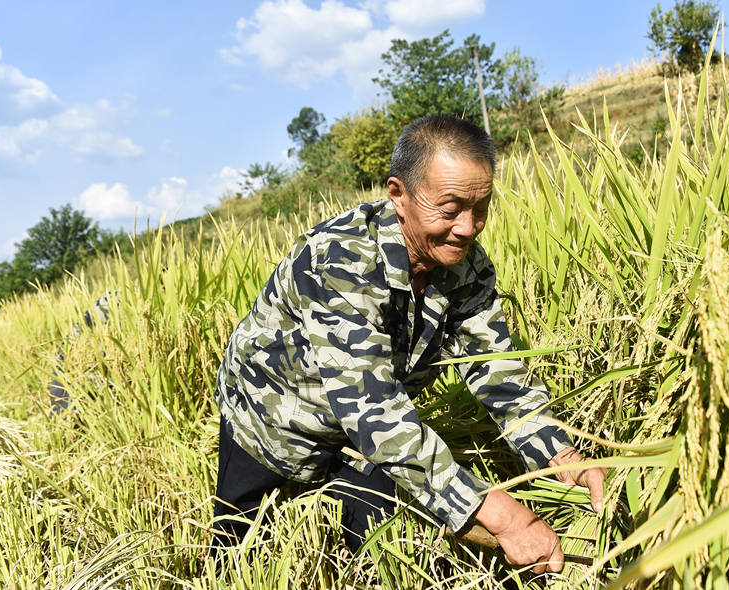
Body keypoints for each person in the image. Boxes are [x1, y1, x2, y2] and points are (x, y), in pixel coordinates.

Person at [211, 114, 605, 575]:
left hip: (361, 443)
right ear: (399, 194)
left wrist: (560, 455)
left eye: (481, 208)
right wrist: (503, 516)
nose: (468, 227)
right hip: (273, 423)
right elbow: (372, 411)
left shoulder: (464, 267)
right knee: (239, 558)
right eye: (451, 208)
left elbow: (499, 376)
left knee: (381, 553)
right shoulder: (341, 262)